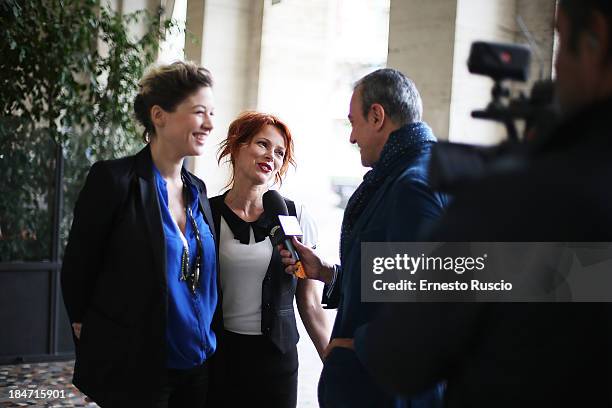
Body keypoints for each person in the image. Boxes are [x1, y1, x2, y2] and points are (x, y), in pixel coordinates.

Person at [350, 1, 612, 407]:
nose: (555, 67)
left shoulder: (526, 200)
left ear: (595, 38)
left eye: (559, 39)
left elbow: (405, 354)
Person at [281, 69, 448, 407]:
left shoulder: (413, 187)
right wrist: (328, 273)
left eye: (352, 123)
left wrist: (356, 345)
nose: (352, 138)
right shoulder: (412, 174)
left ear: (377, 117)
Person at [61, 61, 218, 407]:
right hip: (138, 366)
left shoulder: (199, 190)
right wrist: (89, 329)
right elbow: (78, 265)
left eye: (211, 113)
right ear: (159, 116)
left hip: (198, 362)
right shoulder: (114, 181)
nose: (209, 123)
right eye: (199, 112)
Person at [207, 111, 330, 408]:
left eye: (279, 152)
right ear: (237, 145)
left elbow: (310, 302)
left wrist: (334, 361)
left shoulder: (295, 215)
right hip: (218, 357)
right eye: (262, 144)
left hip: (277, 361)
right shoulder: (206, 213)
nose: (271, 156)